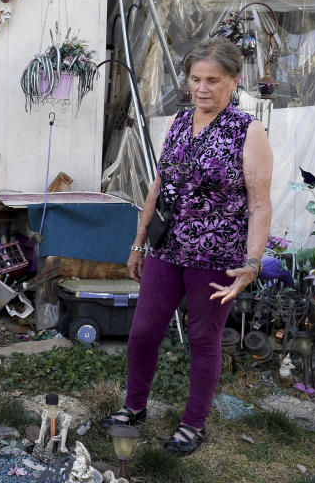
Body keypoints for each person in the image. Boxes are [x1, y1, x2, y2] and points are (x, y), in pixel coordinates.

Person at [100, 38, 273, 455]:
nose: (202, 88)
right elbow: (160, 185)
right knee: (142, 332)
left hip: (217, 256)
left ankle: (194, 424)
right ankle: (134, 406)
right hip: (167, 248)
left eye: (213, 80)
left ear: (234, 81)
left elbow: (260, 203)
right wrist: (139, 242)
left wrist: (252, 264)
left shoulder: (247, 131)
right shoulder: (179, 122)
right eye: (196, 79)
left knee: (203, 338)